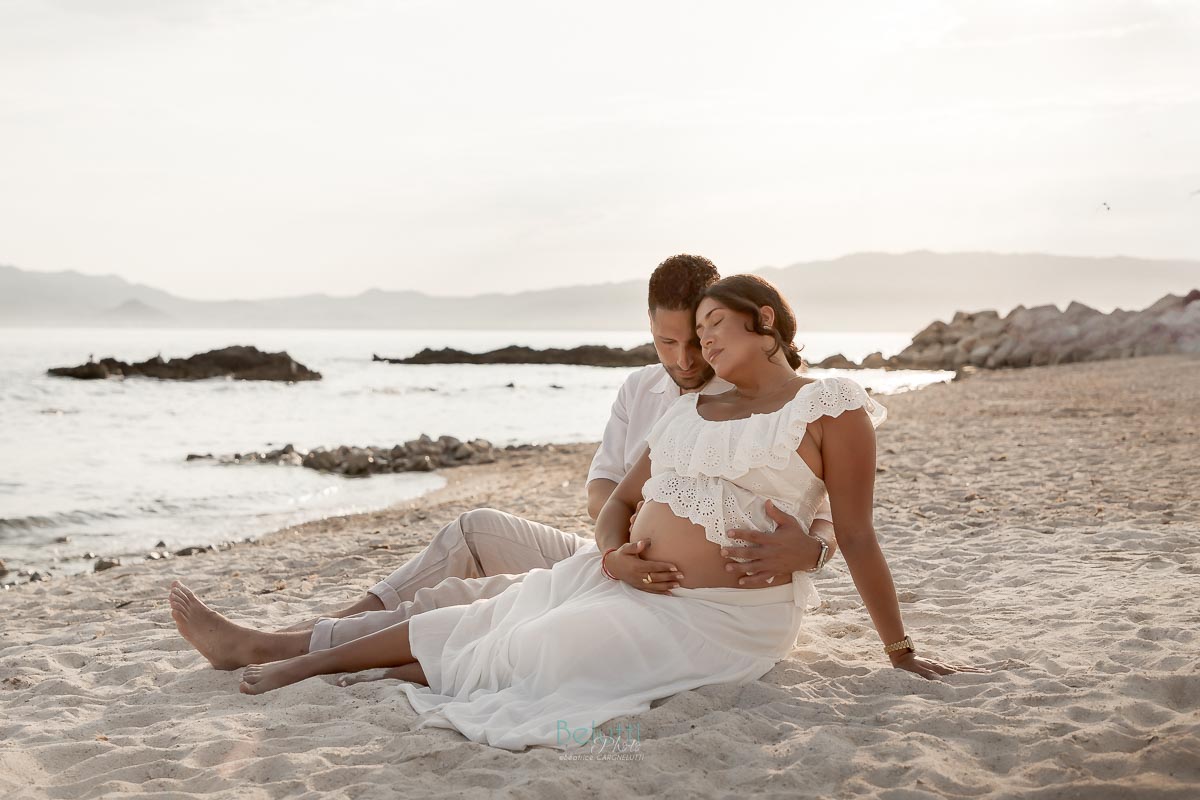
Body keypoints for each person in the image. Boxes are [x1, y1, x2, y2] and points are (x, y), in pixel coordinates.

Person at [169, 273, 981, 750]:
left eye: (713, 327)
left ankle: (344, 661)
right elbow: (621, 500)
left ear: (765, 322)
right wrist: (617, 553)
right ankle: (302, 661)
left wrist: (897, 646)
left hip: (724, 615)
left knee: (538, 645)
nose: (700, 346)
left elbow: (858, 529)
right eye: (690, 333)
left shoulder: (830, 404)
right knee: (487, 619)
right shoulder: (689, 408)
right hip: (625, 579)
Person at [266, 255, 838, 663]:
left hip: (688, 600)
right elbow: (604, 490)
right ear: (649, 331)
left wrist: (813, 549)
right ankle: (322, 630)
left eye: (696, 338)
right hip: (613, 555)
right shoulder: (642, 390)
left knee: (483, 606)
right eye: (667, 343)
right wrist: (620, 547)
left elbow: (826, 513)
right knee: (474, 531)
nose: (686, 359)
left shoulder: (766, 403)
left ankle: (309, 646)